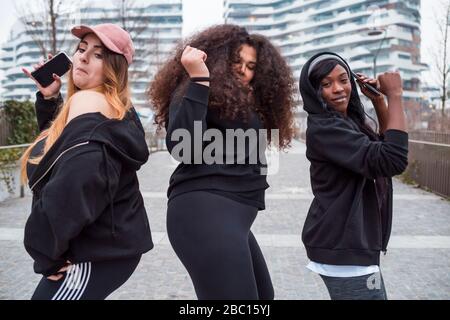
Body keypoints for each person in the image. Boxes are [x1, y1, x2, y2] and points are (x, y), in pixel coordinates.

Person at [149, 24, 296, 300]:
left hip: (231, 217)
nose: (243, 70)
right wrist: (199, 80)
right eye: (236, 61)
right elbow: (183, 148)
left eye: (251, 65)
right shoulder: (195, 88)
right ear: (218, 60)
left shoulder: (243, 101)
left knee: (264, 296)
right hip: (203, 212)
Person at [21, 23, 153, 300]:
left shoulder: (90, 102)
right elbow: (59, 155)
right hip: (106, 246)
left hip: (96, 253)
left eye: (99, 55)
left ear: (115, 69)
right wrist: (50, 99)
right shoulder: (105, 105)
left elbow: (70, 187)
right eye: (82, 49)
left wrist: (46, 255)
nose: (81, 57)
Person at [298, 51, 409, 300]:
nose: (338, 89)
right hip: (343, 247)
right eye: (326, 84)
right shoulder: (326, 128)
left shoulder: (345, 122)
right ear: (314, 92)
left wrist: (380, 103)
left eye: (343, 79)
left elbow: (382, 148)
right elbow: (394, 159)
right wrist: (396, 95)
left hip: (349, 245)